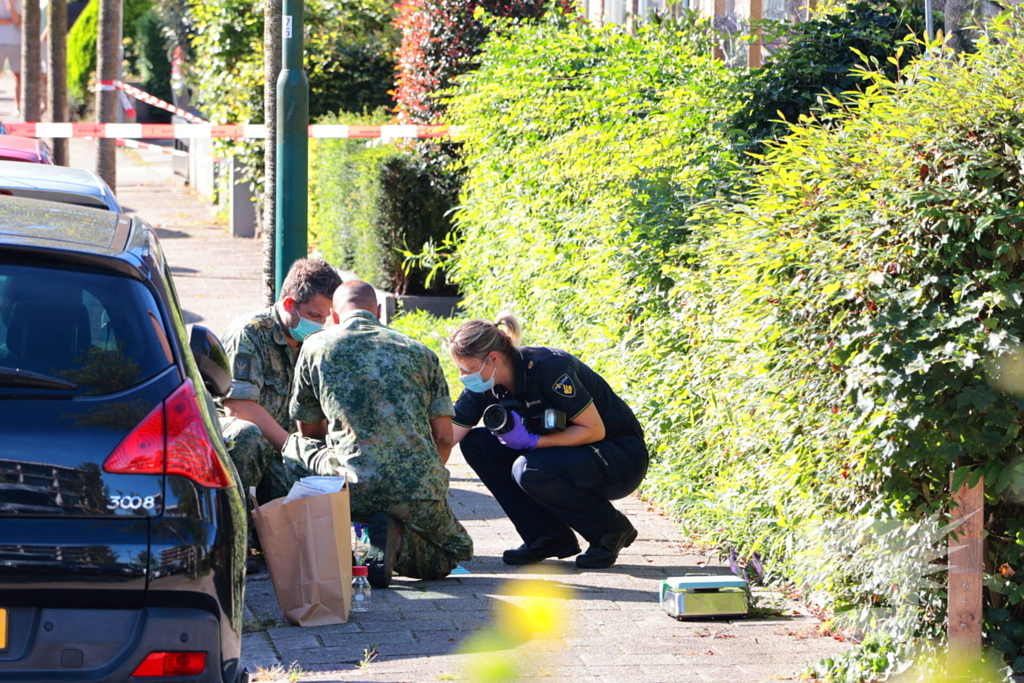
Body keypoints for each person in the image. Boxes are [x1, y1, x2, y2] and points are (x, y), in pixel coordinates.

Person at [287, 280, 473, 588]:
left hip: (349, 490)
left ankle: (330, 548)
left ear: (335, 316)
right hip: (416, 491)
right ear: (378, 312)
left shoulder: (315, 347)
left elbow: (308, 429)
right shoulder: (421, 353)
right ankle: (397, 543)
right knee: (455, 551)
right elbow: (443, 437)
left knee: (294, 446)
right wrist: (418, 480)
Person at [446, 313, 648, 569]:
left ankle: (610, 529)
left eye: (467, 369)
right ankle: (547, 537)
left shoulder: (549, 368)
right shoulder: (487, 382)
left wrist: (533, 442)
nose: (463, 376)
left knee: (530, 469)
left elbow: (594, 430)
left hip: (617, 458)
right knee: (477, 444)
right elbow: (447, 437)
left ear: (493, 358)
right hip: (570, 454)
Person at [218, 258, 341, 504]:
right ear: (288, 304)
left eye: (324, 318)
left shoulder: (315, 345)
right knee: (247, 435)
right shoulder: (249, 334)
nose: (319, 325)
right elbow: (239, 408)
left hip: (286, 449)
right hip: (239, 445)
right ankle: (235, 521)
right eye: (313, 315)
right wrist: (295, 450)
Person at [0, 0, 21, 116]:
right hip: (0, 41)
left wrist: (11, 4)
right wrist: (12, 22)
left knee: (18, 76)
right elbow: (15, 21)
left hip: (17, 42)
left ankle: (18, 108)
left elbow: (18, 20)